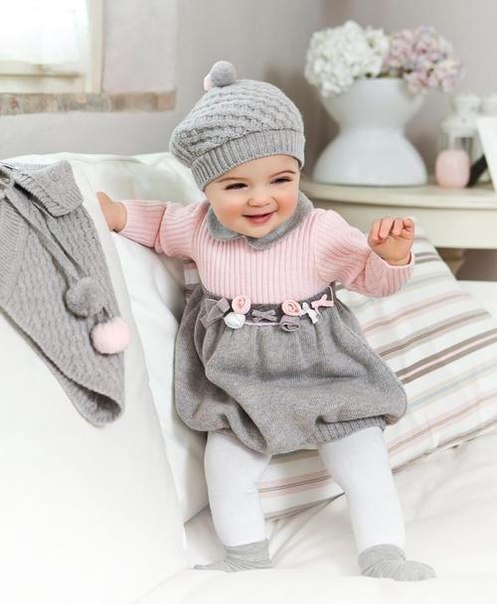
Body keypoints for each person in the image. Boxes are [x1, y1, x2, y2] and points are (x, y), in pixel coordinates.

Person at [98, 61, 436, 580]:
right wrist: (117, 214)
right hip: (240, 381)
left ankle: (383, 553)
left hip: (324, 368)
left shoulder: (321, 230)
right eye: (236, 185)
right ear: (207, 189)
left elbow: (371, 279)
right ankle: (246, 556)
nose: (260, 198)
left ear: (298, 172)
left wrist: (389, 257)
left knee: (365, 463)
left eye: (280, 179)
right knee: (226, 469)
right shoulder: (198, 226)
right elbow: (160, 222)